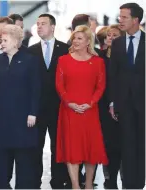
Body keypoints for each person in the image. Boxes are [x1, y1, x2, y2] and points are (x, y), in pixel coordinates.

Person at [0, 24, 41, 189]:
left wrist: (33, 112)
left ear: (16, 42)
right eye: (1, 40)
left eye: (5, 40)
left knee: (24, 160)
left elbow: (35, 89)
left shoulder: (30, 60)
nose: (1, 43)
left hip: (23, 119)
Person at [55, 25, 108, 189]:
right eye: (74, 38)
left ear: (88, 41)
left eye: (79, 38)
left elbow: (101, 86)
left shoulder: (98, 62)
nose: (75, 41)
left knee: (91, 149)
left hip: (90, 110)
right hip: (69, 110)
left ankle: (89, 185)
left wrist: (91, 103)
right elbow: (59, 85)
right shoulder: (63, 60)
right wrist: (69, 102)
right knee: (73, 149)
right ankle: (76, 185)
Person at [28, 13, 69, 189]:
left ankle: (58, 181)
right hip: (36, 108)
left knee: (58, 147)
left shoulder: (65, 49)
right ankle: (34, 181)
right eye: (37, 24)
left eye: (43, 23)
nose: (39, 27)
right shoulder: (31, 51)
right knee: (35, 147)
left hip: (59, 107)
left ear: (53, 27)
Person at [109, 3, 145, 189]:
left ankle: (140, 182)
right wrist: (112, 102)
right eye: (119, 16)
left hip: (144, 102)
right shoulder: (117, 43)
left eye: (124, 17)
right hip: (124, 103)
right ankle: (129, 183)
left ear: (136, 20)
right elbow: (113, 74)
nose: (119, 20)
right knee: (127, 143)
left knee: (142, 144)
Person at [99, 24, 124, 189]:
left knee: (118, 144)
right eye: (109, 35)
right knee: (106, 144)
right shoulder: (100, 57)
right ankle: (109, 178)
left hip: (121, 105)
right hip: (102, 106)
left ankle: (117, 176)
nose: (110, 38)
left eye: (115, 35)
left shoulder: (126, 58)